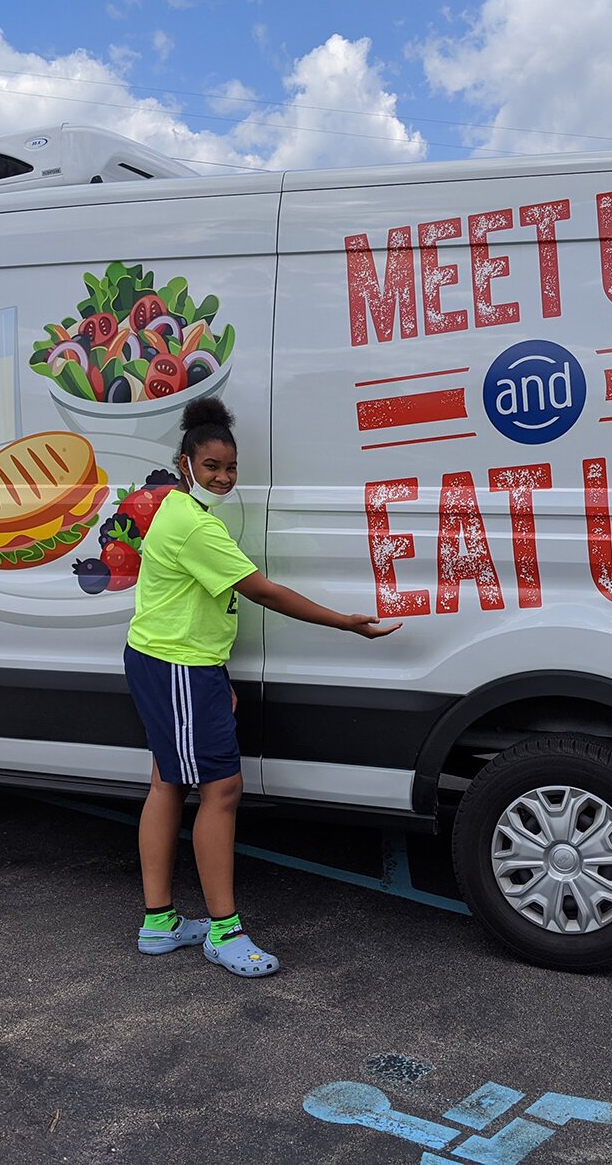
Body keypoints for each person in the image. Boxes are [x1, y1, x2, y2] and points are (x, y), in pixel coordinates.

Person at [125, 396, 401, 977]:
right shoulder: (192, 525)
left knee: (167, 782)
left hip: (175, 664)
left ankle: (159, 923)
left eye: (230, 468)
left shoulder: (178, 513)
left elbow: (198, 606)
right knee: (220, 790)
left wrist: (213, 675)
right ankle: (224, 931)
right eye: (211, 468)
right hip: (177, 667)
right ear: (185, 465)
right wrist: (345, 622)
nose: (223, 478)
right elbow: (263, 591)